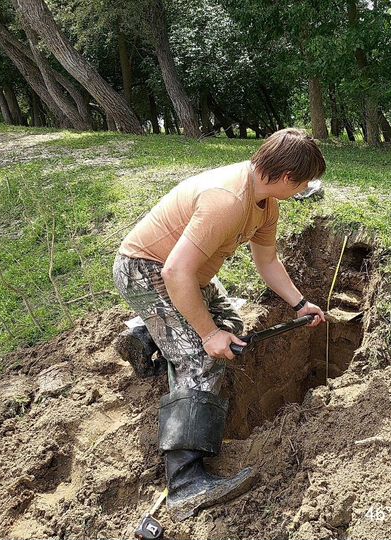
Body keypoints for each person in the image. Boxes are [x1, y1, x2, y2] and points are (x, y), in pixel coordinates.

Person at [112, 127, 327, 520]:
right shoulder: (227, 200)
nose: (304, 189)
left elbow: (267, 263)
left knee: (233, 325)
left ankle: (148, 335)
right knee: (201, 358)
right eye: (304, 182)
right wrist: (207, 335)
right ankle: (185, 484)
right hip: (148, 270)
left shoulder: (266, 204)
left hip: (187, 276)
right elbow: (175, 270)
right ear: (285, 178)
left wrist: (299, 304)